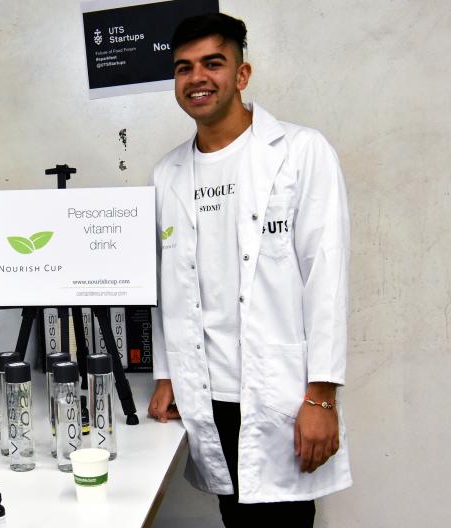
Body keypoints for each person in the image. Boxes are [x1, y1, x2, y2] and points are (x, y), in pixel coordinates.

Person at [148, 12, 351, 527]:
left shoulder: (302, 153)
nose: (197, 78)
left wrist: (322, 398)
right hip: (206, 392)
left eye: (213, 63)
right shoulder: (167, 172)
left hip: (279, 390)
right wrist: (168, 374)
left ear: (242, 74)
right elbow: (163, 285)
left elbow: (326, 277)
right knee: (233, 517)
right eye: (184, 67)